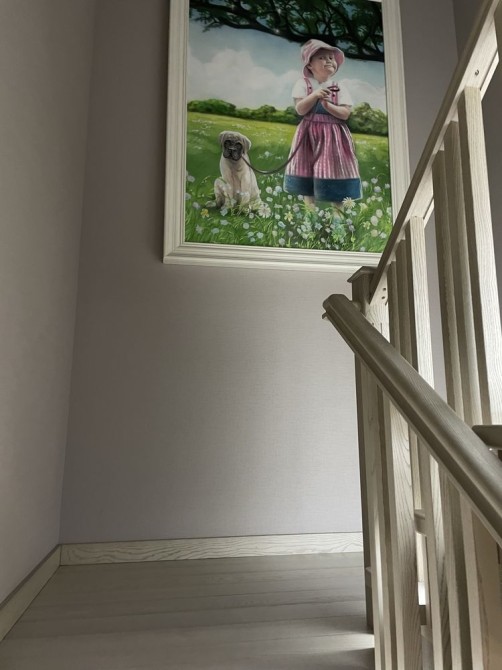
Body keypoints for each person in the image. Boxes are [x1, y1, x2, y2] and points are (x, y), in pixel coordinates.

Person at [284, 39, 362, 208]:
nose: (328, 61)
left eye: (331, 58)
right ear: (309, 64)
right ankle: (310, 210)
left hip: (334, 135)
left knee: (334, 168)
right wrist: (314, 96)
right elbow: (300, 109)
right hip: (308, 133)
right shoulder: (303, 84)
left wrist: (328, 106)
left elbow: (345, 113)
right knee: (306, 166)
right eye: (322, 57)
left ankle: (338, 212)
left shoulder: (339, 87)